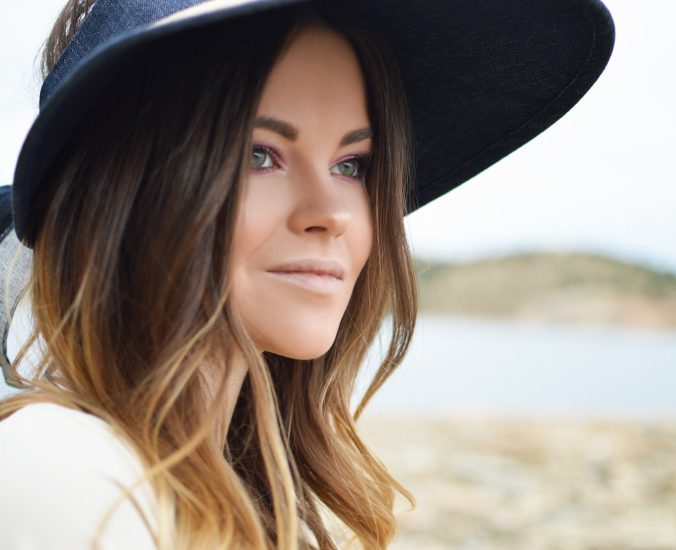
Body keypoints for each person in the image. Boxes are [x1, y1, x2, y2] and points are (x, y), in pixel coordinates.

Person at [0, 0, 615, 548]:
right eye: (259, 154)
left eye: (352, 165)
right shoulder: (68, 471)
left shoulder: (232, 490)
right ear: (123, 194)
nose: (332, 215)